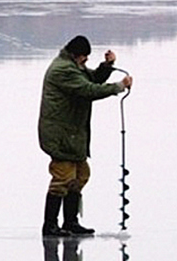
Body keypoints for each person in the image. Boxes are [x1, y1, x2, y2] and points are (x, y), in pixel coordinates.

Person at [38, 35, 133, 237]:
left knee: (80, 175)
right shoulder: (63, 70)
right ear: (76, 55)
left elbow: (91, 78)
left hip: (73, 133)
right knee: (62, 178)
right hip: (60, 134)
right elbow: (87, 89)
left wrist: (107, 66)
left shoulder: (72, 66)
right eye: (85, 57)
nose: (86, 61)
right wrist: (118, 87)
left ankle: (71, 222)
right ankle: (50, 226)